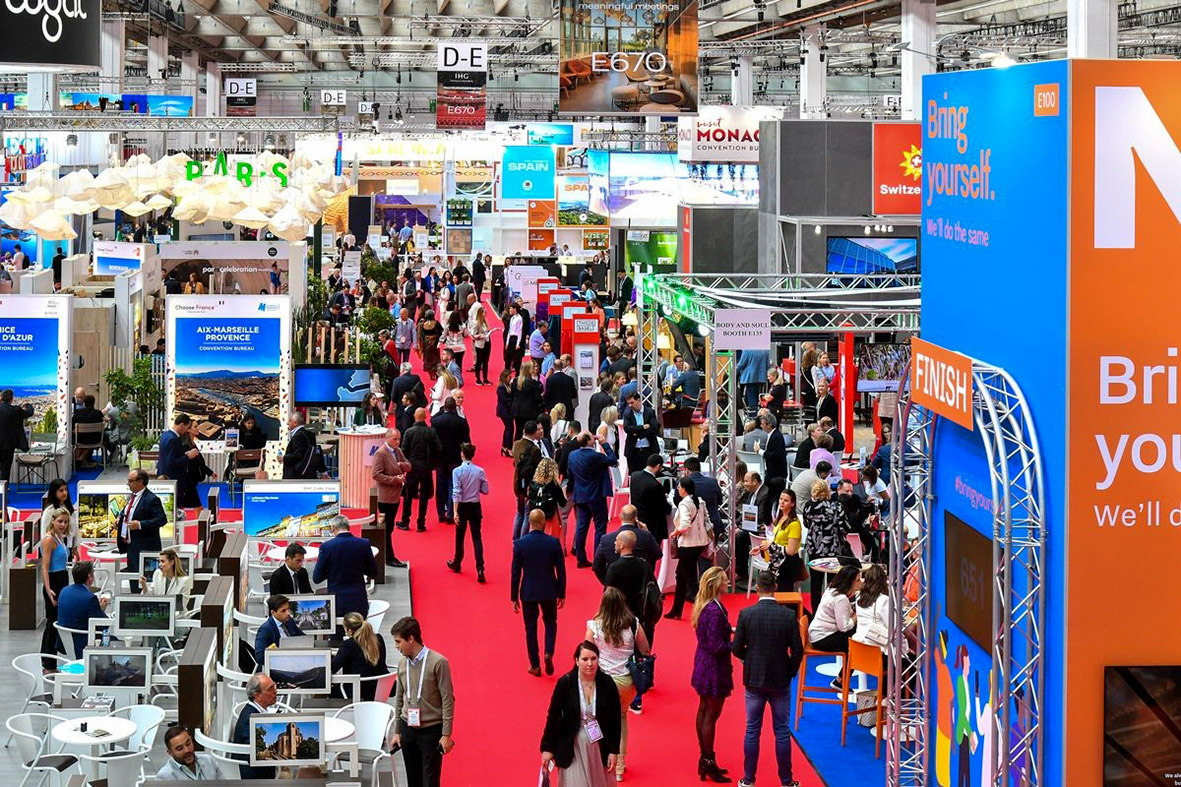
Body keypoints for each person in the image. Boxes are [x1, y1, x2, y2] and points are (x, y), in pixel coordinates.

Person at [732, 569, 804, 787]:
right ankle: (786, 782)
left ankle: (748, 780)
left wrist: (750, 659)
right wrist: (789, 671)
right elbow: (798, 651)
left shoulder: (746, 614)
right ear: (775, 588)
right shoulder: (788, 616)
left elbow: (736, 648)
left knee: (752, 730)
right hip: (780, 680)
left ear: (756, 588)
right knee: (781, 731)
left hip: (754, 680)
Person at [585, 588, 650, 781]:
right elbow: (646, 650)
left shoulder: (595, 626)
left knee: (599, 721)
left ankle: (601, 760)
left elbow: (586, 651)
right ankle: (619, 767)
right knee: (621, 719)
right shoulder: (633, 624)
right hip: (626, 682)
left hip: (603, 682)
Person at [540, 640, 621, 786]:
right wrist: (547, 748)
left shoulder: (607, 683)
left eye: (593, 658)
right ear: (577, 661)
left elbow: (616, 719)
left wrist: (614, 751)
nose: (589, 663)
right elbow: (553, 717)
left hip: (599, 748)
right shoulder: (565, 684)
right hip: (572, 747)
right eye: (585, 659)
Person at [391, 617, 455, 787]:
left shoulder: (438, 662)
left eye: (398, 641)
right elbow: (399, 697)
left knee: (430, 780)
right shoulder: (402, 664)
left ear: (411, 639)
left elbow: (448, 699)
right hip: (408, 728)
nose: (396, 646)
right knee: (413, 780)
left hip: (431, 730)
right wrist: (397, 731)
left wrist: (446, 734)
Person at [691, 566, 734, 783]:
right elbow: (718, 646)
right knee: (712, 713)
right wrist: (737, 644)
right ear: (716, 584)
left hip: (704, 663)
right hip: (714, 667)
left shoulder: (706, 605)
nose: (728, 582)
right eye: (725, 580)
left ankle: (705, 758)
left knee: (704, 709)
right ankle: (708, 760)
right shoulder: (715, 611)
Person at [511, 509, 566, 677]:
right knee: (550, 622)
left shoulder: (520, 544)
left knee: (530, 628)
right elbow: (561, 571)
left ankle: (535, 665)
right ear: (543, 523)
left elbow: (515, 573)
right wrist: (561, 593)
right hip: (549, 590)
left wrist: (513, 597)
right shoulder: (553, 543)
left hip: (528, 591)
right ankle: (548, 652)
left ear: (530, 523)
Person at [802, 479, 855, 613]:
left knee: (815, 583)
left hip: (814, 547)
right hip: (832, 547)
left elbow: (806, 524)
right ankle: (832, 612)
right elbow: (845, 527)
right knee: (833, 583)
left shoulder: (808, 506)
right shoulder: (836, 506)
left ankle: (816, 613)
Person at [567, 432, 618, 568]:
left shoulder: (572, 455)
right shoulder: (596, 456)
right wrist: (604, 443)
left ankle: (581, 558)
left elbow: (570, 474)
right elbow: (613, 460)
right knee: (600, 528)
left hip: (580, 496)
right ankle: (598, 560)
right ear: (589, 442)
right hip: (596, 496)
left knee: (581, 527)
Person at [665, 477, 712, 620]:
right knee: (681, 576)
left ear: (684, 489)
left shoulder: (685, 504)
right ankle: (676, 610)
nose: (678, 489)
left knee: (691, 581)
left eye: (679, 487)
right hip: (700, 542)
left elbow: (685, 525)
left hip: (688, 545)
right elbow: (707, 520)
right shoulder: (700, 501)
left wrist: (675, 532)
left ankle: (707, 611)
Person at [314, 515, 379, 618]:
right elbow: (374, 572)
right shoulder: (364, 544)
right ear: (348, 527)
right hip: (358, 602)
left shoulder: (326, 547)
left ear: (333, 528)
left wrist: (331, 571)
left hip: (337, 604)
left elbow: (317, 578)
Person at [447, 443, 489, 582]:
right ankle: (480, 567)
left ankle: (457, 562)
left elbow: (456, 492)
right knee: (477, 537)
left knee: (460, 536)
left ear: (462, 454)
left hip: (462, 506)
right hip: (475, 505)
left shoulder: (457, 471)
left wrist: (455, 511)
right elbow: (485, 490)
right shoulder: (480, 471)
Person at [116, 469, 166, 584]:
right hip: (131, 546)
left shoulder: (151, 499)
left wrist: (140, 525)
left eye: (130, 481)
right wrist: (121, 518)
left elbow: (161, 520)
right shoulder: (132, 497)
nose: (128, 484)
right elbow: (128, 512)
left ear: (140, 481)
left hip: (145, 547)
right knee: (133, 580)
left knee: (145, 582)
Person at [593, 504, 661, 584]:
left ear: (620, 516)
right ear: (636, 518)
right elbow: (658, 554)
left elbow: (597, 566)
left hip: (616, 584)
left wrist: (608, 582)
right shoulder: (645, 536)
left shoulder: (606, 539)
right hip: (641, 583)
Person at [372, 428, 410, 567]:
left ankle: (386, 555)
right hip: (385, 497)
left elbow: (408, 465)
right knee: (386, 528)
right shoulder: (380, 453)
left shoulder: (397, 451)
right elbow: (376, 474)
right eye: (395, 439)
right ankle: (388, 556)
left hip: (395, 495)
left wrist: (400, 465)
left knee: (390, 527)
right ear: (387, 438)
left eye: (399, 439)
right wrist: (394, 479)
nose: (398, 442)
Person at [754, 489, 805, 593]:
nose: (782, 502)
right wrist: (762, 548)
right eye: (781, 499)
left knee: (785, 595)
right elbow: (775, 541)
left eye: (786, 500)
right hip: (777, 562)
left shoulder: (794, 524)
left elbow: (790, 551)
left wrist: (771, 545)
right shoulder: (781, 518)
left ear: (792, 504)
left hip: (788, 565)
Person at [809, 564, 862, 664]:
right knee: (857, 641)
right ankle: (846, 672)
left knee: (855, 634)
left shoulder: (831, 589)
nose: (861, 583)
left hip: (817, 634)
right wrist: (856, 617)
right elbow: (844, 627)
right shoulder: (840, 599)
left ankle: (846, 671)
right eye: (858, 580)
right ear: (849, 582)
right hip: (822, 639)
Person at [39, 508, 72, 668]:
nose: (62, 525)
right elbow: (44, 567)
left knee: (56, 622)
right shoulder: (49, 540)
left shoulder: (60, 538)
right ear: (53, 521)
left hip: (62, 580)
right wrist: (48, 589)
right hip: (53, 582)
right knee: (52, 623)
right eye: (60, 521)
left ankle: (49, 659)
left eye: (65, 522)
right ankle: (48, 661)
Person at [400, 408, 442, 532]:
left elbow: (403, 450)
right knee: (424, 496)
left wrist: (406, 464)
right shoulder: (431, 432)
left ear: (415, 416)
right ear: (425, 417)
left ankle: (405, 521)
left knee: (408, 495)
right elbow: (439, 448)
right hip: (426, 467)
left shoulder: (409, 432)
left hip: (412, 467)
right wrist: (432, 462)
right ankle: (421, 523)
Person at [603, 531, 656, 627]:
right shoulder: (644, 565)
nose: (614, 542)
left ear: (622, 545)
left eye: (617, 540)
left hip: (619, 614)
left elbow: (609, 594)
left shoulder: (614, 567)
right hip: (640, 613)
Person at [57, 561, 109, 657]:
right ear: (89, 577)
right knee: (115, 641)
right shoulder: (90, 598)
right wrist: (101, 609)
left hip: (65, 643)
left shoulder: (64, 591)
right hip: (83, 643)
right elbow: (104, 625)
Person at [333, 612, 389, 701]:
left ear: (349, 630)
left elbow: (333, 668)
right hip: (379, 690)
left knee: (328, 689)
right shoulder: (379, 639)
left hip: (356, 692)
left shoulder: (349, 645)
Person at [233, 673, 278, 778]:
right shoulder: (250, 721)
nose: (275, 691)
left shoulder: (254, 710)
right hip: (257, 777)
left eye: (274, 687)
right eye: (271, 689)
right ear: (257, 696)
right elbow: (256, 756)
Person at [433, 398, 470, 524]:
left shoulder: (436, 421)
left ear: (444, 407)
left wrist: (440, 411)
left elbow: (433, 419)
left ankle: (440, 513)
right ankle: (450, 512)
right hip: (455, 457)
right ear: (455, 408)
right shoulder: (461, 422)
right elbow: (466, 440)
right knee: (453, 484)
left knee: (440, 484)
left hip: (440, 457)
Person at [511, 420, 546, 540]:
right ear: (534, 433)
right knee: (527, 515)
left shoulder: (516, 444)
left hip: (517, 483)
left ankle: (515, 539)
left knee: (519, 513)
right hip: (529, 486)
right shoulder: (534, 449)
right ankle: (522, 540)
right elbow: (539, 469)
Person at [156, 724, 226, 781]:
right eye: (180, 748)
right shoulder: (165, 777)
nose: (187, 750)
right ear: (170, 753)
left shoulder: (209, 761)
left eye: (188, 744)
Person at [254, 593, 305, 666]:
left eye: (288, 609)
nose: (288, 613)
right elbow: (260, 658)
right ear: (273, 612)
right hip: (277, 666)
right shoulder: (265, 630)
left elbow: (302, 638)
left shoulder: (290, 621)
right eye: (283, 611)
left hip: (295, 661)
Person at [630, 454, 671, 544]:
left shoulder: (634, 476)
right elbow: (664, 507)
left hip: (636, 519)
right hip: (652, 524)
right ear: (658, 466)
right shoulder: (655, 485)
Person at [528, 457, 567, 543]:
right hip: (550, 516)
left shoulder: (533, 484)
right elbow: (563, 503)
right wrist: (564, 492)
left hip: (536, 515)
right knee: (550, 539)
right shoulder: (554, 485)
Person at [621, 392, 659, 476]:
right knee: (634, 475)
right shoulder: (627, 413)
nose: (630, 405)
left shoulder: (650, 412)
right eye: (628, 403)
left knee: (649, 475)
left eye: (632, 402)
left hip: (648, 450)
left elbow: (653, 428)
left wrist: (638, 434)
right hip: (633, 451)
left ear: (638, 400)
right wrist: (642, 427)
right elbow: (627, 428)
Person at [0, 389, 33, 482]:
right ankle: (4, 488)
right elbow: (29, 413)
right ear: (11, 399)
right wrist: (28, 405)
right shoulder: (15, 410)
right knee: (5, 468)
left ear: (1, 398)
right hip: (8, 445)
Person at [39, 478, 77, 554]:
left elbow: (74, 528)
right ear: (54, 492)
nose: (64, 493)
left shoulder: (69, 508)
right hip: (55, 549)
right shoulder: (49, 511)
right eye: (61, 490)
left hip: (68, 546)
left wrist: (75, 547)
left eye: (65, 489)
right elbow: (44, 533)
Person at [510, 361, 544, 441]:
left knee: (518, 431)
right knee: (530, 432)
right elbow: (537, 398)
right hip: (529, 411)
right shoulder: (533, 383)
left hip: (517, 410)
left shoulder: (515, 381)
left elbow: (512, 395)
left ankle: (517, 447)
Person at [282, 412, 320, 479]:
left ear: (295, 423)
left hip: (297, 475)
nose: (287, 423)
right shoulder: (309, 432)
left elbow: (298, 455)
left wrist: (284, 458)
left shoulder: (298, 436)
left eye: (290, 421)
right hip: (309, 473)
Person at [760, 414, 788, 485]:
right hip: (772, 471)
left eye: (763, 424)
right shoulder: (773, 435)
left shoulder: (777, 436)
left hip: (777, 473)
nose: (761, 426)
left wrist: (760, 451)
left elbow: (775, 455)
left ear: (769, 425)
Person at [496, 368, 515, 457]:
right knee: (510, 429)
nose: (510, 378)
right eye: (509, 377)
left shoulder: (507, 386)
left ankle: (504, 447)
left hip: (507, 411)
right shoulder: (501, 387)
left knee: (508, 428)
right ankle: (508, 447)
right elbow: (503, 399)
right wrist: (513, 399)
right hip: (504, 411)